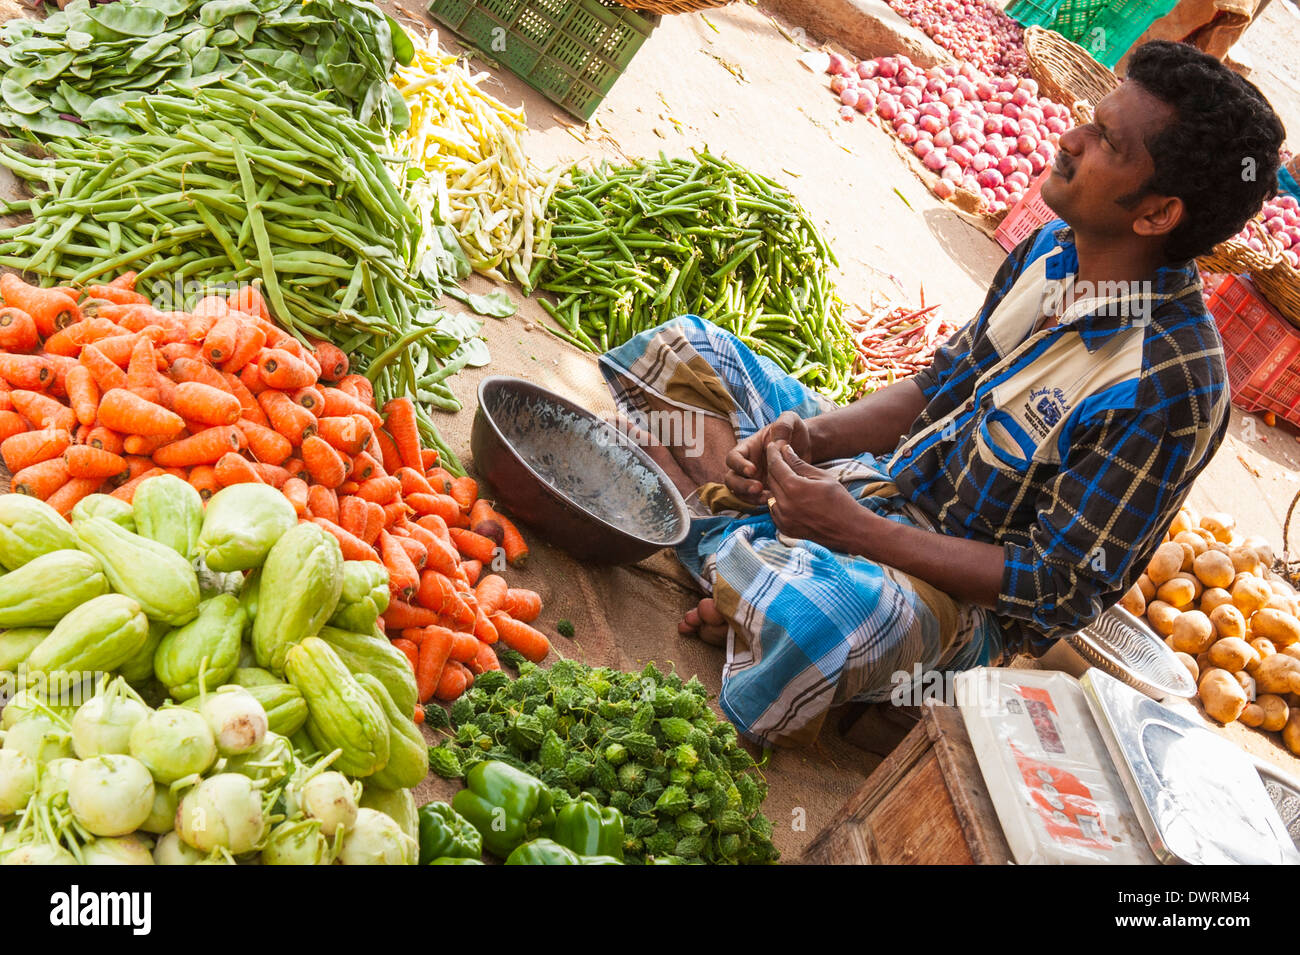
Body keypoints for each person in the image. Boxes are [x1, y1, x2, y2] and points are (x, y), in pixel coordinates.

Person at [598, 41, 1285, 749]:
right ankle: (751, 564)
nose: (1070, 138)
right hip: (876, 483)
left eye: (1105, 141)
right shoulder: (1052, 249)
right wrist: (808, 440)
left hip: (953, 599)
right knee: (681, 350)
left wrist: (855, 532)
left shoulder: (1169, 384)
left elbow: (1052, 585)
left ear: (1157, 213)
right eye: (1090, 119)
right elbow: (936, 387)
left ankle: (746, 549)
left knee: (820, 621)